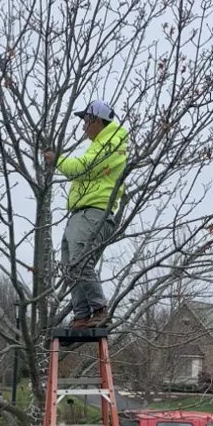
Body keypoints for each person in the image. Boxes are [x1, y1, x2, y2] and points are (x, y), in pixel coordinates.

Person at [43, 99, 128, 329]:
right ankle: (82, 315)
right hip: (82, 211)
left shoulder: (111, 142)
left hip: (94, 210)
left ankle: (99, 309)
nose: (83, 127)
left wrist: (56, 159)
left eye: (86, 121)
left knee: (80, 261)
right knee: (69, 264)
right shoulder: (100, 143)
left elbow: (81, 168)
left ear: (97, 121)